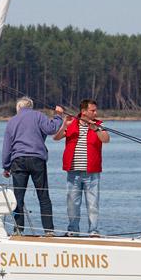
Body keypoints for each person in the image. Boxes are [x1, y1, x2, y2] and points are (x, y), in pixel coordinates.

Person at [1, 97, 65, 236]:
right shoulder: (38, 116)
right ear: (31, 106)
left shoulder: (12, 121)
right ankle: (49, 231)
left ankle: (18, 230)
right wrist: (58, 116)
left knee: (18, 197)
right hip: (37, 160)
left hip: (18, 161)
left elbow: (7, 146)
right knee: (43, 195)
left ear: (18, 108)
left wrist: (6, 166)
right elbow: (52, 128)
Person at [54, 98, 110, 236]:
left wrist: (96, 129)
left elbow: (106, 139)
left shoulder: (99, 124)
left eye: (95, 110)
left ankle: (94, 231)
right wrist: (64, 126)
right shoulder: (72, 123)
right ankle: (73, 230)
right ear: (84, 112)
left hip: (92, 172)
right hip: (73, 172)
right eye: (92, 110)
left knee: (93, 204)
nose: (95, 113)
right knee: (73, 204)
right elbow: (56, 137)